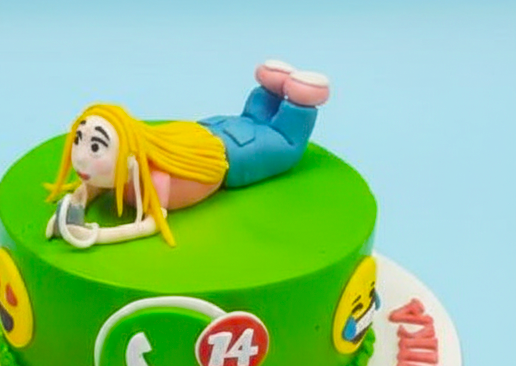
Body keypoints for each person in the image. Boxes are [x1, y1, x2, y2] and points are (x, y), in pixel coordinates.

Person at [45, 60, 330, 248]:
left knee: (285, 145)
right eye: (79, 141)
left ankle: (300, 102)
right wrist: (74, 206)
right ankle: (271, 89)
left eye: (96, 147)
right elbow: (94, 184)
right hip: (206, 130)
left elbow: (150, 225)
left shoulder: (153, 179)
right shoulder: (128, 164)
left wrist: (94, 235)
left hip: (234, 155)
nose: (80, 158)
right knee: (249, 120)